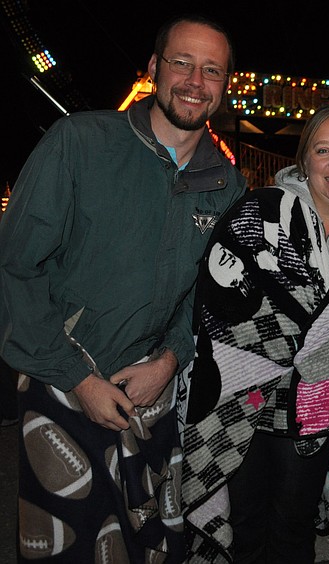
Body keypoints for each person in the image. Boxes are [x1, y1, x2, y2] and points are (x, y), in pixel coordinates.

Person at [0, 13, 244, 562]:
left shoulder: (227, 184)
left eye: (211, 70)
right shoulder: (80, 142)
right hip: (61, 383)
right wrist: (78, 379)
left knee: (148, 547)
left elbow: (207, 296)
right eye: (182, 63)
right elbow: (15, 267)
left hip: (152, 396)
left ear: (224, 87)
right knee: (67, 547)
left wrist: (171, 360)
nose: (194, 81)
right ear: (155, 68)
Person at [180, 104, 329, 563]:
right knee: (246, 526)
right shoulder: (260, 213)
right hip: (241, 397)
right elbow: (216, 302)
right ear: (304, 160)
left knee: (293, 530)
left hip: (316, 406)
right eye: (323, 150)